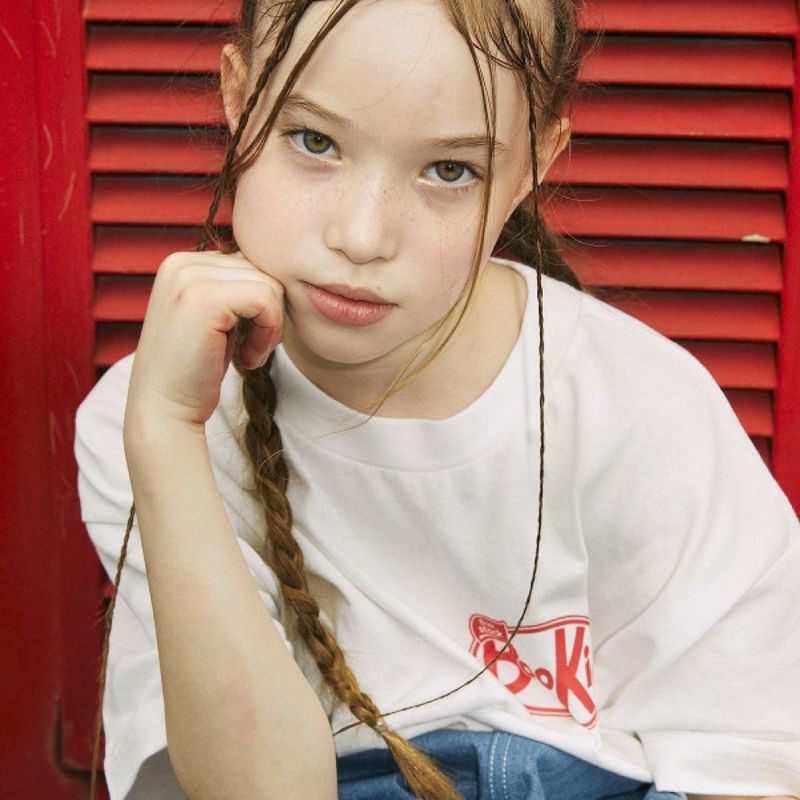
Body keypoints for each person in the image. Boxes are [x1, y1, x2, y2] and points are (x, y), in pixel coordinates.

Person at [74, 1, 800, 798]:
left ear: (532, 167)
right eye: (314, 141)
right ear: (239, 98)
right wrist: (166, 437)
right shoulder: (154, 423)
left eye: (450, 171)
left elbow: (753, 760)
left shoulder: (637, 406)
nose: (362, 236)